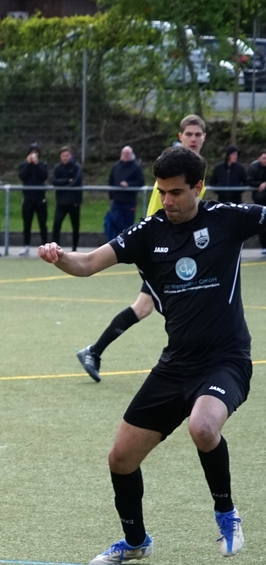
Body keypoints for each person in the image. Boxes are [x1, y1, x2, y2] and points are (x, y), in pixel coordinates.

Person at [38, 147, 251, 565]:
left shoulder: (228, 219)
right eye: (161, 191)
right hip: (176, 365)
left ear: (198, 187)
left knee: (203, 426)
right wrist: (60, 256)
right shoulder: (150, 232)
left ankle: (226, 513)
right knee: (121, 458)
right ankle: (135, 542)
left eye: (176, 192)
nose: (167, 200)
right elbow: (87, 263)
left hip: (226, 360)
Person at [79, 115, 206, 382]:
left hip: (175, 251)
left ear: (204, 137)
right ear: (180, 136)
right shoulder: (172, 168)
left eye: (198, 134)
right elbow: (159, 219)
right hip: (159, 252)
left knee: (145, 307)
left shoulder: (196, 171)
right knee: (167, 305)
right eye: (189, 134)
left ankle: (94, 351)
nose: (193, 139)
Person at [103, 146, 145, 243]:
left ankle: (128, 242)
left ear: (131, 154)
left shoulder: (136, 167)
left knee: (128, 224)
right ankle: (118, 241)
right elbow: (111, 182)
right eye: (124, 153)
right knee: (115, 219)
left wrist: (129, 185)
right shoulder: (116, 167)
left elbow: (140, 182)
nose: (126, 155)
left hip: (129, 201)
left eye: (128, 153)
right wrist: (111, 196)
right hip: (117, 201)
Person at [17, 143, 49, 256]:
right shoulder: (23, 165)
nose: (33, 155)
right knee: (27, 223)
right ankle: (26, 246)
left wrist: (37, 164)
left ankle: (45, 246)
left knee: (42, 223)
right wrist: (28, 164)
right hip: (28, 198)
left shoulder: (43, 165)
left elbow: (44, 176)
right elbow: (22, 176)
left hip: (40, 198)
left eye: (35, 152)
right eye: (31, 152)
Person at [51, 146, 84, 250]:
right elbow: (54, 181)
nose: (65, 157)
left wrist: (62, 184)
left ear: (71, 156)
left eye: (67, 155)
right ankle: (55, 247)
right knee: (57, 223)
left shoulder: (76, 167)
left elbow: (75, 182)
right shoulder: (57, 168)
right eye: (63, 156)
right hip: (61, 202)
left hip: (74, 201)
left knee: (75, 225)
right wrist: (66, 181)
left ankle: (74, 247)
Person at [246, 149, 266, 255]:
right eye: (264, 158)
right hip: (259, 200)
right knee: (262, 224)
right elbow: (249, 181)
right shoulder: (254, 167)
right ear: (259, 158)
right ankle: (264, 245)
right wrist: (259, 184)